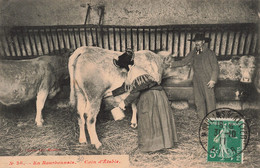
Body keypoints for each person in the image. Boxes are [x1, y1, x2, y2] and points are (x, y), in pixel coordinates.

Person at [110, 49, 178, 153]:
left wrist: (123, 103)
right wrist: (111, 93)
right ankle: (160, 145)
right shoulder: (133, 71)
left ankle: (151, 147)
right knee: (157, 120)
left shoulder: (135, 72)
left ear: (126, 66)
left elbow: (135, 92)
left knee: (148, 120)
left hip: (152, 96)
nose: (120, 71)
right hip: (156, 94)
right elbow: (126, 86)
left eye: (121, 68)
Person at [171, 33, 219, 120]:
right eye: (196, 41)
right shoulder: (194, 52)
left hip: (208, 79)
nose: (197, 43)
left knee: (210, 100)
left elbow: (215, 68)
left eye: (199, 41)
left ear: (203, 42)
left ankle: (212, 120)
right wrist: (169, 64)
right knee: (198, 99)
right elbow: (184, 62)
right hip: (196, 79)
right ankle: (202, 119)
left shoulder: (210, 53)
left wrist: (213, 80)